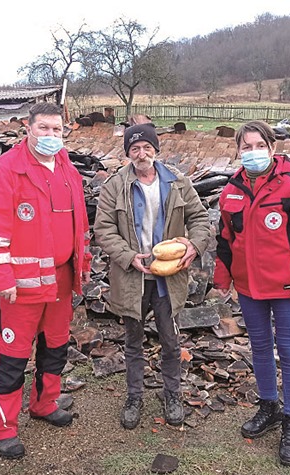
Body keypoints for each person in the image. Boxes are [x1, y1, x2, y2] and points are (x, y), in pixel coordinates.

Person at [0, 102, 92, 459]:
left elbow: (79, 226)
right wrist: (0, 277)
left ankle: (45, 404)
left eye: (57, 130)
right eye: (43, 128)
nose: (50, 136)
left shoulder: (66, 169)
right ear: (27, 129)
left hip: (61, 280)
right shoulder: (7, 170)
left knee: (55, 347)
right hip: (21, 287)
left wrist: (81, 267)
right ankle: (3, 427)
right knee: (12, 358)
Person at [213, 120, 290, 466]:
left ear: (272, 148)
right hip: (249, 288)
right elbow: (225, 241)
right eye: (245, 147)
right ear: (237, 151)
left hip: (289, 289)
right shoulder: (230, 189)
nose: (252, 153)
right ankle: (269, 407)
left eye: (258, 146)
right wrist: (223, 279)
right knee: (260, 348)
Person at [93, 123, 210, 429]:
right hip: (132, 277)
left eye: (147, 148)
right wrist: (128, 256)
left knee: (170, 341)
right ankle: (134, 396)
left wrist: (194, 245)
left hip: (168, 278)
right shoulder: (114, 185)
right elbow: (103, 229)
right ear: (128, 154)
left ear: (157, 150)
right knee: (133, 341)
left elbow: (199, 218)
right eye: (134, 149)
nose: (141, 154)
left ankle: (172, 395)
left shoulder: (178, 182)